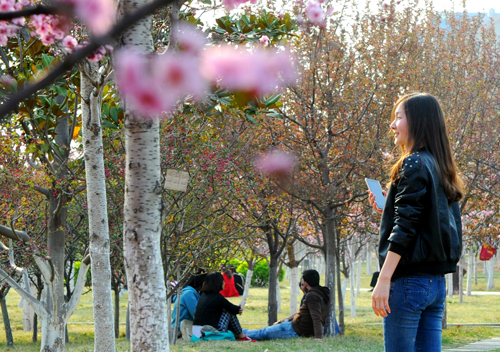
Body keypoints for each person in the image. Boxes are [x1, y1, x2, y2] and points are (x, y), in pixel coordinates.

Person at [368, 93, 463, 352]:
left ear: (418, 121)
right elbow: (426, 223)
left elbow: (406, 227)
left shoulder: (413, 163)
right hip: (435, 284)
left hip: (409, 283)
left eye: (398, 117)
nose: (392, 125)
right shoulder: (440, 166)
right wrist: (388, 207)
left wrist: (384, 279)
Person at [243, 269, 330, 340]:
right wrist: (283, 320)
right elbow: (306, 313)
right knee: (263, 331)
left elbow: (316, 318)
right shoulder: (321, 293)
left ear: (306, 283)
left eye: (303, 283)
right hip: (292, 326)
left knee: (262, 333)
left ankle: (237, 332)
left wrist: (318, 338)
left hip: (293, 330)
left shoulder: (312, 296)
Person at [192, 272, 255, 342]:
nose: (224, 283)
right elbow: (235, 310)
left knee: (225, 310)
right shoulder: (218, 297)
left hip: (195, 331)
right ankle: (242, 336)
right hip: (207, 332)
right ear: (218, 283)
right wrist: (240, 308)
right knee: (228, 312)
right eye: (223, 281)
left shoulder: (203, 295)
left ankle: (240, 336)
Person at [171, 272, 206, 338]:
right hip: (181, 329)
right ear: (202, 282)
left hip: (178, 327)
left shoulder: (186, 291)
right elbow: (197, 315)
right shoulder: (189, 294)